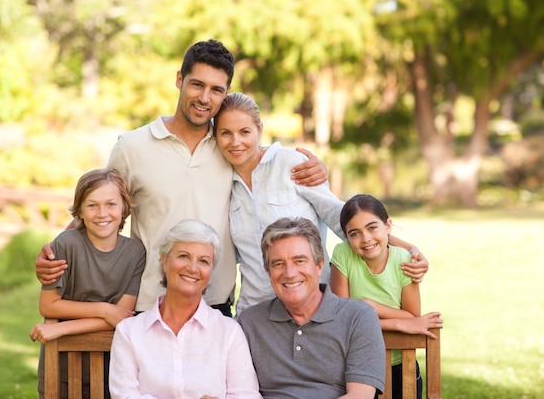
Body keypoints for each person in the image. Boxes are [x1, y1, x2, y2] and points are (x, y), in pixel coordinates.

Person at [34, 39, 327, 316]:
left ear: (226, 92)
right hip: (149, 304)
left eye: (216, 89)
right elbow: (98, 207)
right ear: (179, 80)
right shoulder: (132, 147)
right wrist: (57, 254)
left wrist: (314, 168)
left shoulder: (229, 147)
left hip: (216, 305)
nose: (204, 97)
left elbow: (266, 168)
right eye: (197, 84)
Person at [214, 92, 429, 315]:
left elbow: (342, 220)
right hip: (257, 311)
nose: (235, 142)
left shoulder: (292, 164)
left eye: (245, 132)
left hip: (312, 307)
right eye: (226, 133)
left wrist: (409, 249)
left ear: (259, 130)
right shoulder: (221, 183)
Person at [109, 219, 262, 399]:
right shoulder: (129, 332)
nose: (193, 268)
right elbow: (125, 396)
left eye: (204, 261)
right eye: (183, 256)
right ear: (164, 260)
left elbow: (247, 395)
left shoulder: (229, 332)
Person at [29, 168, 146, 399]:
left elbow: (121, 318)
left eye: (111, 204)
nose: (102, 213)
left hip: (113, 370)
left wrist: (60, 328)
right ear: (79, 211)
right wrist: (104, 309)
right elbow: (49, 305)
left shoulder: (135, 252)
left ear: (124, 207)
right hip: (60, 369)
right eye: (92, 205)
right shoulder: (65, 244)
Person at [238, 217, 385, 399]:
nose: (290, 273)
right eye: (278, 264)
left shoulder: (358, 317)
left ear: (319, 265)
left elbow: (360, 396)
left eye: (299, 261)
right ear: (268, 271)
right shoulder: (250, 322)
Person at [329, 194, 444, 399]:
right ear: (347, 237)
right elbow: (342, 319)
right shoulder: (343, 254)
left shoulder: (404, 260)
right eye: (354, 233)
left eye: (372, 227)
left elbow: (411, 317)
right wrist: (397, 324)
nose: (366, 238)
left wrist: (369, 308)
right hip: (356, 369)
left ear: (388, 226)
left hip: (401, 367)